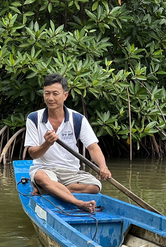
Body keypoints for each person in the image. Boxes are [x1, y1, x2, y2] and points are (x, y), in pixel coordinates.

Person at [24, 73, 112, 213]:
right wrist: (46, 144)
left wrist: (103, 166)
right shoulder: (34, 118)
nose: (50, 98)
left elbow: (93, 147)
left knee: (95, 186)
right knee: (40, 177)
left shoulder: (77, 119)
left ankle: (49, 190)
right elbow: (33, 154)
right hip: (45, 169)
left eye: (55, 94)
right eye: (47, 93)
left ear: (65, 95)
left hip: (71, 172)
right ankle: (78, 203)